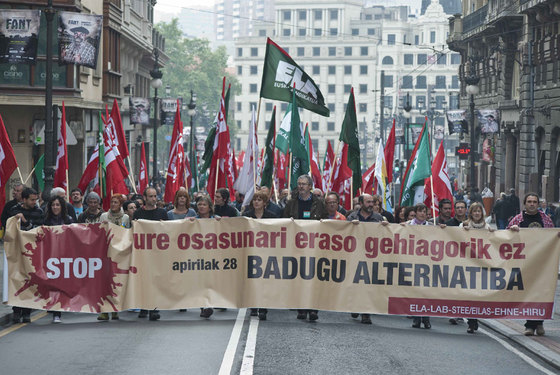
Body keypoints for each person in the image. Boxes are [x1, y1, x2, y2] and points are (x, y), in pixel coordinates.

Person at [507, 193, 554, 336]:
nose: (532, 204)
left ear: (538, 204)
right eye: (529, 201)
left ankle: (539, 323)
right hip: (524, 263)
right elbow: (506, 237)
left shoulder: (545, 219)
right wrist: (512, 231)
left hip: (542, 263)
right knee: (529, 294)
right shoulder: (517, 220)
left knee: (541, 293)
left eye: (534, 202)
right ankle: (529, 325)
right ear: (525, 203)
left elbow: (552, 236)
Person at [283, 175, 328, 321]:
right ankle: (301, 308)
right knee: (299, 277)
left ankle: (313, 308)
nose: (301, 187)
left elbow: (327, 222)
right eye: (299, 184)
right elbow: (283, 222)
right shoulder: (291, 203)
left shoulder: (319, 203)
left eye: (304, 184)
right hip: (296, 246)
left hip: (314, 246)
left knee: (314, 278)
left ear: (310, 186)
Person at [347, 194, 385, 324]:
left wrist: (386, 227)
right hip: (355, 255)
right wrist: (351, 226)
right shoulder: (352, 217)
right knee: (356, 284)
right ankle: (355, 305)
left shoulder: (378, 218)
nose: (370, 205)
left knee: (368, 284)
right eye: (368, 202)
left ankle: (366, 313)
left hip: (371, 256)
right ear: (361, 203)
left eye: (372, 202)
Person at [8, 187, 43, 323]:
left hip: (31, 253)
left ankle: (27, 311)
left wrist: (25, 222)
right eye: (32, 200)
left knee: (30, 281)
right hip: (16, 252)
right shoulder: (14, 210)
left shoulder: (39, 212)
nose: (34, 202)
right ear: (24, 199)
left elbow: (37, 231)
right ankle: (16, 311)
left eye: (35, 199)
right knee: (16, 280)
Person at [133, 187, 169, 321]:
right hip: (143, 252)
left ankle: (154, 308)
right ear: (145, 198)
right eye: (151, 196)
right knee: (143, 280)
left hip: (158, 252)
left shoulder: (162, 213)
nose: (154, 199)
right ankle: (143, 306)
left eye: (155, 196)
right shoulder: (138, 213)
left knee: (155, 280)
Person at [459, 202, 494, 333]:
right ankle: (471, 321)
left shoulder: (488, 227)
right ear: (471, 213)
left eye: (479, 211)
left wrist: (492, 233)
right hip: (468, 266)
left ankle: (475, 317)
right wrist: (463, 231)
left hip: (482, 266)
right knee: (469, 295)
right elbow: (455, 238)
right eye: (475, 211)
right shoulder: (464, 225)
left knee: (478, 296)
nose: (477, 213)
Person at [243, 190, 277, 320]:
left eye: (259, 199)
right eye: (255, 199)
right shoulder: (246, 216)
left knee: (265, 281)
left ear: (264, 203)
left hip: (266, 253)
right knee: (252, 280)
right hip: (251, 253)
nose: (256, 202)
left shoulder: (272, 217)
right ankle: (253, 305)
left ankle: (263, 307)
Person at [402, 203, 434, 329]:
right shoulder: (407, 226)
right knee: (415, 291)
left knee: (426, 292)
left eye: (424, 211)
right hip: (413, 261)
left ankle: (426, 318)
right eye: (420, 211)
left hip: (427, 263)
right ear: (415, 212)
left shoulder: (432, 226)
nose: (422, 214)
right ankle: (416, 318)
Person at [43, 196, 74, 323]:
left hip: (65, 257)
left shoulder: (68, 220)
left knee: (63, 285)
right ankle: (56, 312)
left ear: (62, 206)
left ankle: (61, 308)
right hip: (50, 258)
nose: (55, 207)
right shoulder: (46, 220)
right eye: (53, 205)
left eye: (57, 205)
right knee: (53, 285)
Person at [191, 195, 218, 318]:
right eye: (199, 205)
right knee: (200, 281)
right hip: (197, 256)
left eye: (204, 204)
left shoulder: (217, 220)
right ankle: (204, 306)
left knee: (211, 281)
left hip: (213, 255)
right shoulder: (191, 221)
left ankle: (209, 304)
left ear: (209, 207)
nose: (201, 207)